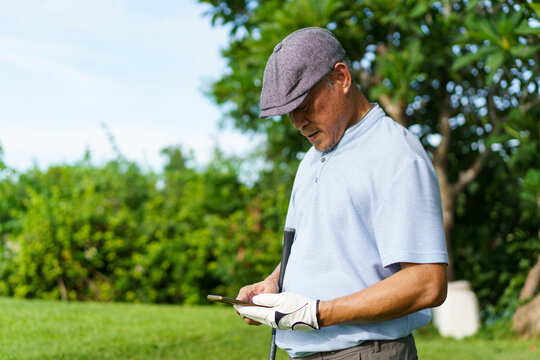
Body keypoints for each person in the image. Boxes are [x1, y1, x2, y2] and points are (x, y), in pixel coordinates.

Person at [234, 27, 449, 359]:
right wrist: (273, 283)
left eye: (304, 103)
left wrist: (317, 313)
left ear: (342, 78)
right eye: (289, 112)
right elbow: (321, 249)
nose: (297, 121)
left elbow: (427, 282)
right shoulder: (312, 158)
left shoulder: (396, 155)